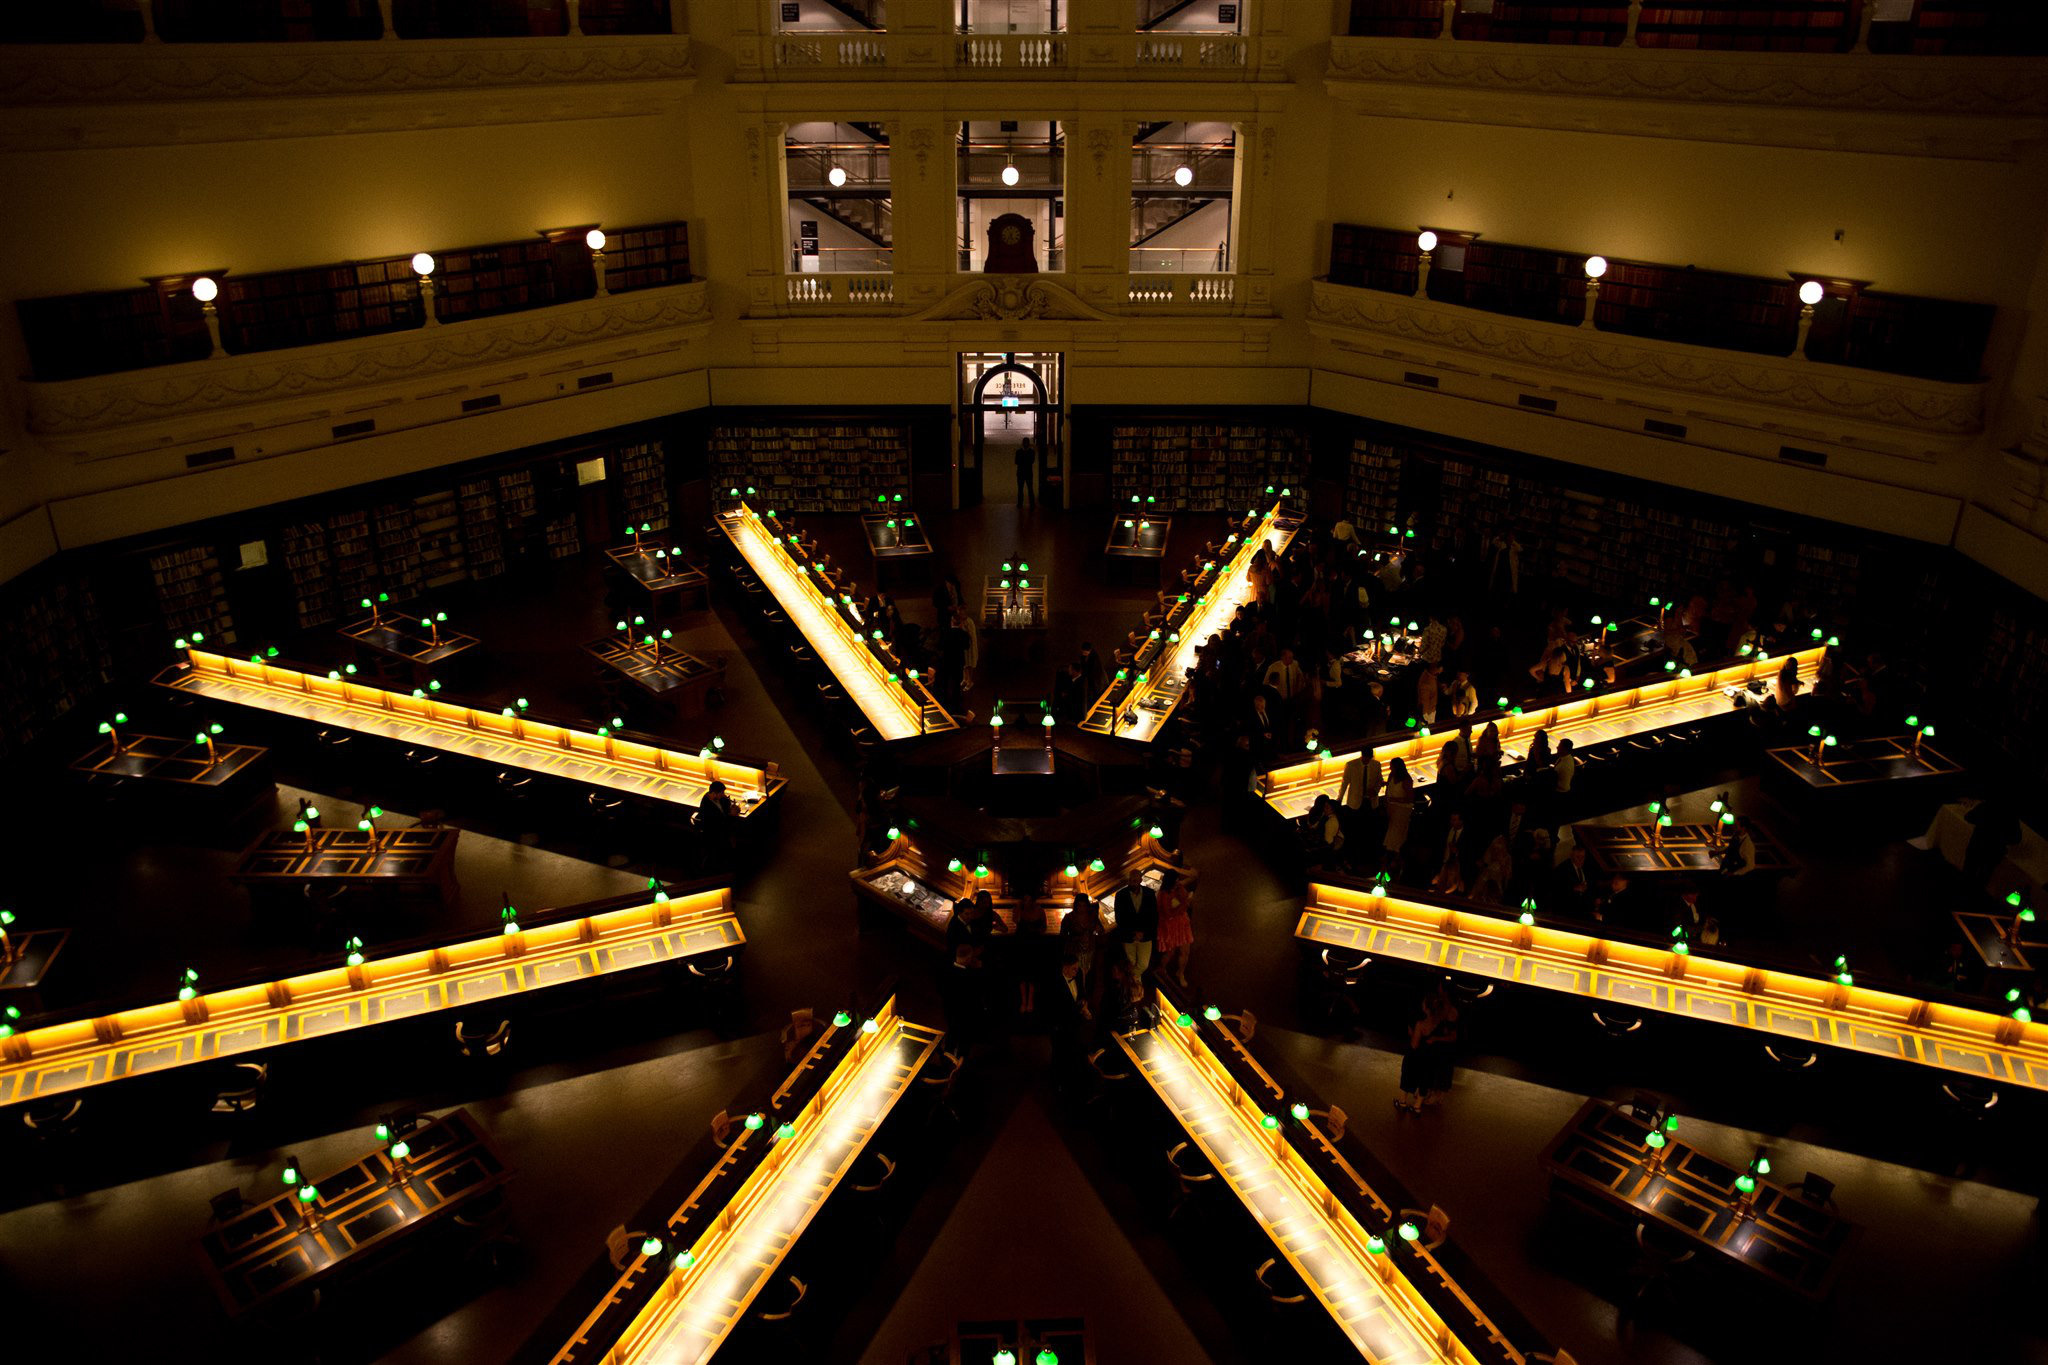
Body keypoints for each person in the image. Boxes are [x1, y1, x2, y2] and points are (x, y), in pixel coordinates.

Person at [1395, 985, 1461, 1112]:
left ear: (1425, 1008)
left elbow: (1414, 1045)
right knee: (1425, 1081)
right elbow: (1451, 1037)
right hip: (1431, 1060)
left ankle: (1402, 1102)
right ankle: (1417, 1106)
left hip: (1417, 1058)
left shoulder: (1421, 1024)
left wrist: (1412, 1033)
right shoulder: (1442, 1024)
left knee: (1409, 1077)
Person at [1112, 871, 1159, 984]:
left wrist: (1143, 933)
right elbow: (1119, 918)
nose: (1132, 883)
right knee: (1131, 963)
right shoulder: (1121, 895)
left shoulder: (1149, 893)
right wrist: (1133, 933)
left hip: (1145, 936)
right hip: (1128, 936)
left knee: (1143, 964)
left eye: (1135, 881)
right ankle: (1135, 986)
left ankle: (1130, 980)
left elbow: (1153, 916)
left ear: (1140, 881)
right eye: (1131, 881)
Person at [1155, 867, 1195, 985]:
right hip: (1169, 926)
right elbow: (1169, 914)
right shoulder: (1163, 895)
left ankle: (1180, 973)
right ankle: (1162, 969)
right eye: (1176, 880)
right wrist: (1185, 904)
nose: (1178, 882)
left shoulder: (1178, 887)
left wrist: (1183, 897)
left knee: (1185, 951)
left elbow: (1185, 895)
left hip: (1182, 924)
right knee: (1170, 952)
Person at [1382, 757, 1415, 879]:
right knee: (1392, 837)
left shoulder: (1406, 780)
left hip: (1402, 810)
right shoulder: (1392, 775)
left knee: (1395, 838)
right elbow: (1388, 791)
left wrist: (1394, 800)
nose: (1390, 768)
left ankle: (1394, 863)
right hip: (1392, 809)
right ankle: (1393, 863)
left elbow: (1410, 798)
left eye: (1392, 766)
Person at [1551, 844, 1593, 918]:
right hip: (1566, 910)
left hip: (1581, 909)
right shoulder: (1562, 869)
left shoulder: (1586, 867)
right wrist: (1574, 888)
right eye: (1578, 857)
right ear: (1572, 856)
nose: (1581, 860)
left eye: (1583, 857)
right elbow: (1555, 889)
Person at [1015, 436, 1036, 508]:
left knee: (1021, 489)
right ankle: (1032, 504)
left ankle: (1020, 504)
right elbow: (1032, 461)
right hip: (1028, 472)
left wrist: (1022, 461)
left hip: (1021, 472)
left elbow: (1016, 462)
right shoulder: (1032, 452)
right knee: (1030, 489)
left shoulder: (1018, 452)